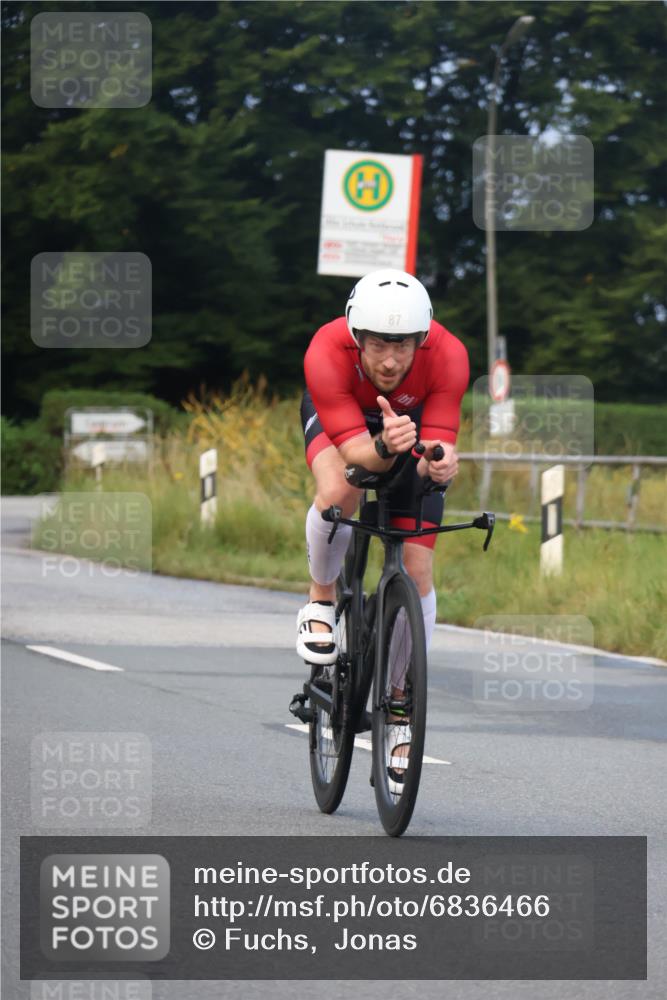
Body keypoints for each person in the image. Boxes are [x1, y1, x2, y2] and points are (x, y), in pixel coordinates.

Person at [297, 268, 469, 779]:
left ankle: (399, 704)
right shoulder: (326, 350)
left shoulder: (449, 356)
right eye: (378, 346)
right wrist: (381, 446)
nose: (391, 360)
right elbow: (354, 454)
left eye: (404, 346)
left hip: (406, 434)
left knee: (416, 571)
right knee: (340, 489)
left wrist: (439, 463)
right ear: (357, 338)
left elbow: (434, 445)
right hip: (347, 426)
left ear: (422, 340)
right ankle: (322, 599)